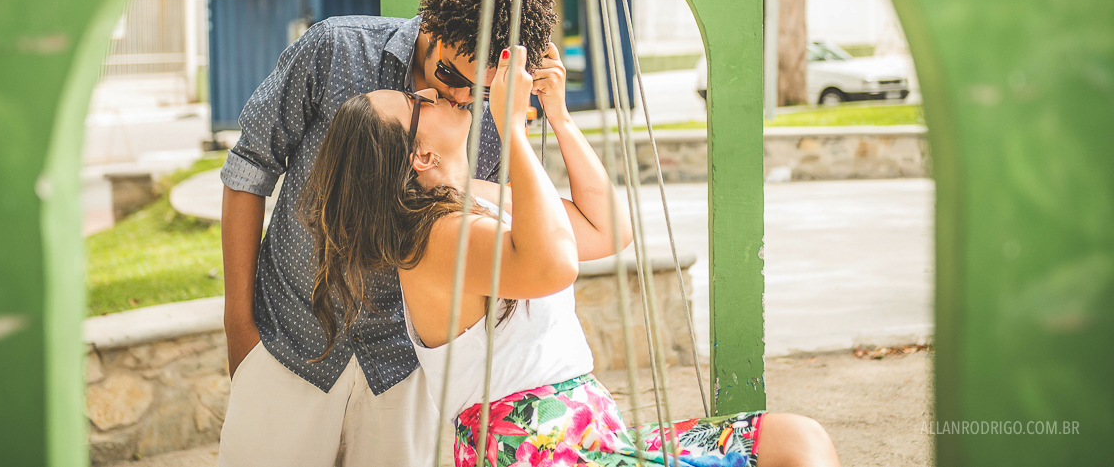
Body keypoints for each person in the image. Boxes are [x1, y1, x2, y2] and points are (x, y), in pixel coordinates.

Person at [300, 45, 843, 467]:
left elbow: (606, 229)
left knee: (795, 439)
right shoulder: (430, 238)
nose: (434, 93)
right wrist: (510, 128)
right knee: (794, 443)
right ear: (419, 155)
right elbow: (553, 264)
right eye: (419, 104)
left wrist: (557, 115)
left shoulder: (473, 201)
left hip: (585, 432)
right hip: (537, 447)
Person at [217, 0, 557, 466]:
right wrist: (239, 326)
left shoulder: (498, 108)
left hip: (406, 362)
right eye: (449, 73)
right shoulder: (335, 49)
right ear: (432, 26)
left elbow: (517, 228)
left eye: (479, 92)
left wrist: (551, 115)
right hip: (287, 337)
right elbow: (247, 173)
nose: (458, 97)